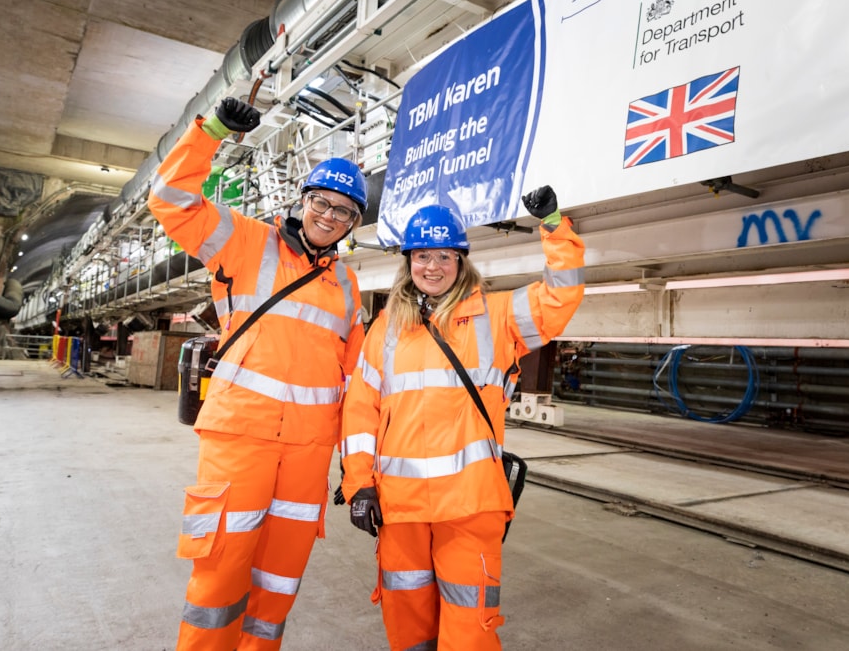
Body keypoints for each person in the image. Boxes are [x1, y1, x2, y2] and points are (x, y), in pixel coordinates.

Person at [148, 96, 368, 650]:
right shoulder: (245, 240)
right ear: (304, 201)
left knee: (279, 580)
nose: (330, 216)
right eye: (323, 202)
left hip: (308, 452)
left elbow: (358, 379)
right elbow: (171, 201)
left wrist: (361, 469)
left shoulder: (346, 285)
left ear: (352, 224)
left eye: (344, 212)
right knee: (221, 572)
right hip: (240, 437)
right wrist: (212, 132)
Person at [339, 188, 585, 650]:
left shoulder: (498, 316)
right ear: (408, 261)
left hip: (470, 508)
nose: (432, 267)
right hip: (400, 507)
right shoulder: (386, 329)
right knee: (406, 620)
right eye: (423, 256)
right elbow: (359, 411)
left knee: (470, 626)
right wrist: (358, 484)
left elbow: (562, 294)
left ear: (462, 261)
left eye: (445, 257)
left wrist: (552, 224)